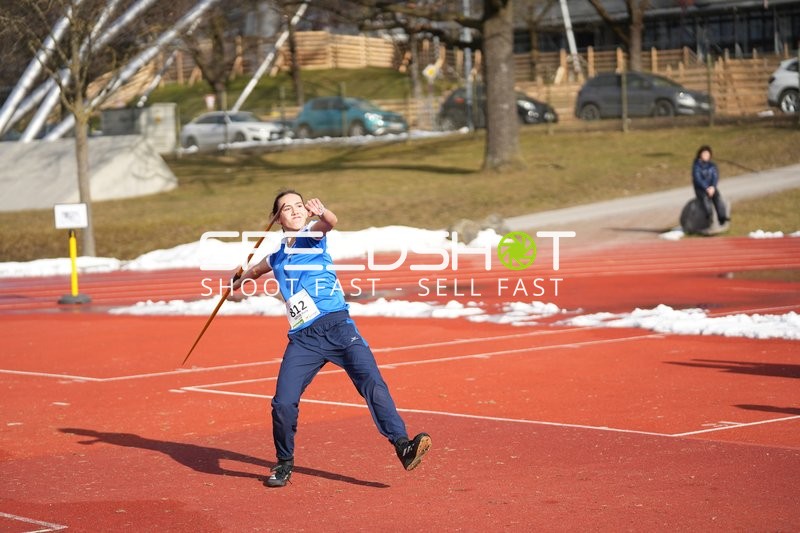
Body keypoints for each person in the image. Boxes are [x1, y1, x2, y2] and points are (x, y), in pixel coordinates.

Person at [231, 189, 431, 488]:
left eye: (300, 206)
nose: (297, 211)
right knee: (283, 404)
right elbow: (257, 270)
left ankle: (402, 445)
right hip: (303, 339)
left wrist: (322, 212)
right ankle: (284, 462)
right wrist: (240, 277)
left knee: (371, 381)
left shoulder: (311, 235)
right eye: (288, 208)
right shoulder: (277, 255)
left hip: (338, 327)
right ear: (277, 218)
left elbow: (330, 222)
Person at [692, 145, 729, 228]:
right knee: (705, 199)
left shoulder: (712, 165)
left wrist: (713, 187)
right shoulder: (696, 166)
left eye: (708, 154)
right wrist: (706, 188)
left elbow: (715, 177)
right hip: (701, 189)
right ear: (700, 154)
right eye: (704, 154)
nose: (706, 156)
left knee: (718, 198)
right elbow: (698, 179)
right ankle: (709, 217)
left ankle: (722, 217)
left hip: (712, 188)